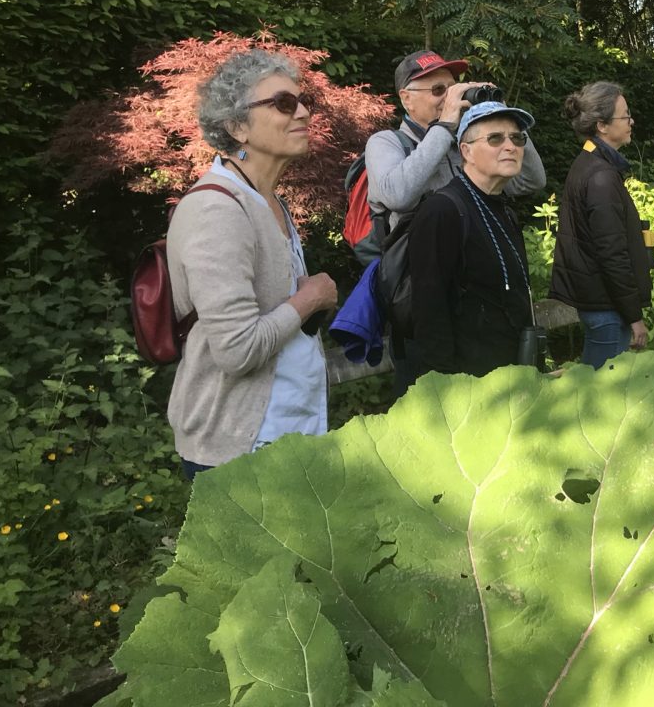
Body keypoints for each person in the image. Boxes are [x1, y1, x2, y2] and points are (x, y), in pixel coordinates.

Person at [166, 50, 339, 479]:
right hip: (240, 448)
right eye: (283, 103)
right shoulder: (218, 209)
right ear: (236, 126)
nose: (303, 112)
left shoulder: (268, 200)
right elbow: (238, 350)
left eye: (303, 102)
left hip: (287, 433)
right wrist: (311, 299)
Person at [364, 50, 546, 388]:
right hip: (421, 310)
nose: (449, 97)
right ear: (406, 98)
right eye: (437, 91)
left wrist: (502, 115)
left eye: (453, 88)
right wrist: (445, 127)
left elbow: (532, 181)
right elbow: (398, 194)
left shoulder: (463, 142)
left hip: (474, 318)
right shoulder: (387, 142)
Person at [408, 101, 537, 377]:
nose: (510, 146)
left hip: (514, 380)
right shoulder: (442, 211)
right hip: (469, 390)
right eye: (495, 138)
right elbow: (429, 312)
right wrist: (446, 393)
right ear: (466, 151)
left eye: (517, 138)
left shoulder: (505, 210)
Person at [550, 82, 654, 368]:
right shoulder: (600, 177)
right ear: (602, 126)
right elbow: (612, 253)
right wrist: (634, 316)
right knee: (598, 396)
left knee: (593, 389)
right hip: (607, 308)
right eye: (625, 115)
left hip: (600, 302)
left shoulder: (590, 163)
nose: (631, 121)